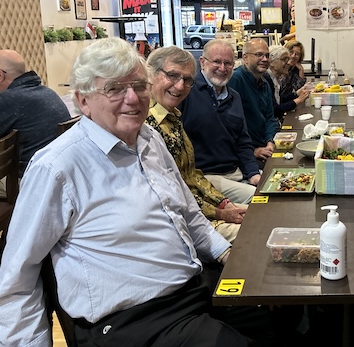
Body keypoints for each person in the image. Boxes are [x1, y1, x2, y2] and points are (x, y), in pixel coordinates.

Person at [0, 38, 249, 346]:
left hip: (191, 288)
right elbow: (17, 275)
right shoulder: (57, 166)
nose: (133, 98)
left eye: (139, 86)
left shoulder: (149, 138)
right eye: (114, 89)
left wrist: (226, 253)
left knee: (281, 311)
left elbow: (188, 213)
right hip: (132, 319)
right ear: (83, 100)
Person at [146, 46, 247, 242]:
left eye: (187, 80)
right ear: (151, 74)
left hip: (200, 211)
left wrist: (224, 204)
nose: (180, 86)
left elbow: (192, 175)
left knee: (263, 214)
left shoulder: (173, 116)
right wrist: (220, 213)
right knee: (259, 230)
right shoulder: (146, 125)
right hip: (181, 225)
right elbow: (171, 194)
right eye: (172, 76)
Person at [179, 39, 259, 203]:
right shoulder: (187, 92)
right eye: (216, 62)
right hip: (204, 176)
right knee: (260, 198)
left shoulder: (234, 97)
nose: (222, 68)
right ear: (202, 62)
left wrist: (253, 173)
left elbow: (243, 142)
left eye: (228, 63)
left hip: (235, 172)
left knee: (276, 185)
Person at [0, 49, 71, 189]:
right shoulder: (47, 92)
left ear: (0, 75)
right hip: (57, 174)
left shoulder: (9, 100)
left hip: (30, 181)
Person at [228, 39, 280, 162]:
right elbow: (228, 125)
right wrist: (253, 151)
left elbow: (269, 118)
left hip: (264, 148)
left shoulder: (265, 84)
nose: (265, 59)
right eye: (259, 54)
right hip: (245, 155)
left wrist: (270, 142)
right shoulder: (236, 80)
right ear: (245, 58)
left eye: (267, 55)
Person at [264, 45, 309, 120]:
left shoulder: (274, 78)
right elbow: (274, 110)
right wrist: (298, 100)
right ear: (271, 62)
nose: (288, 63)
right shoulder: (266, 80)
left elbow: (278, 99)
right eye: (285, 59)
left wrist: (296, 94)